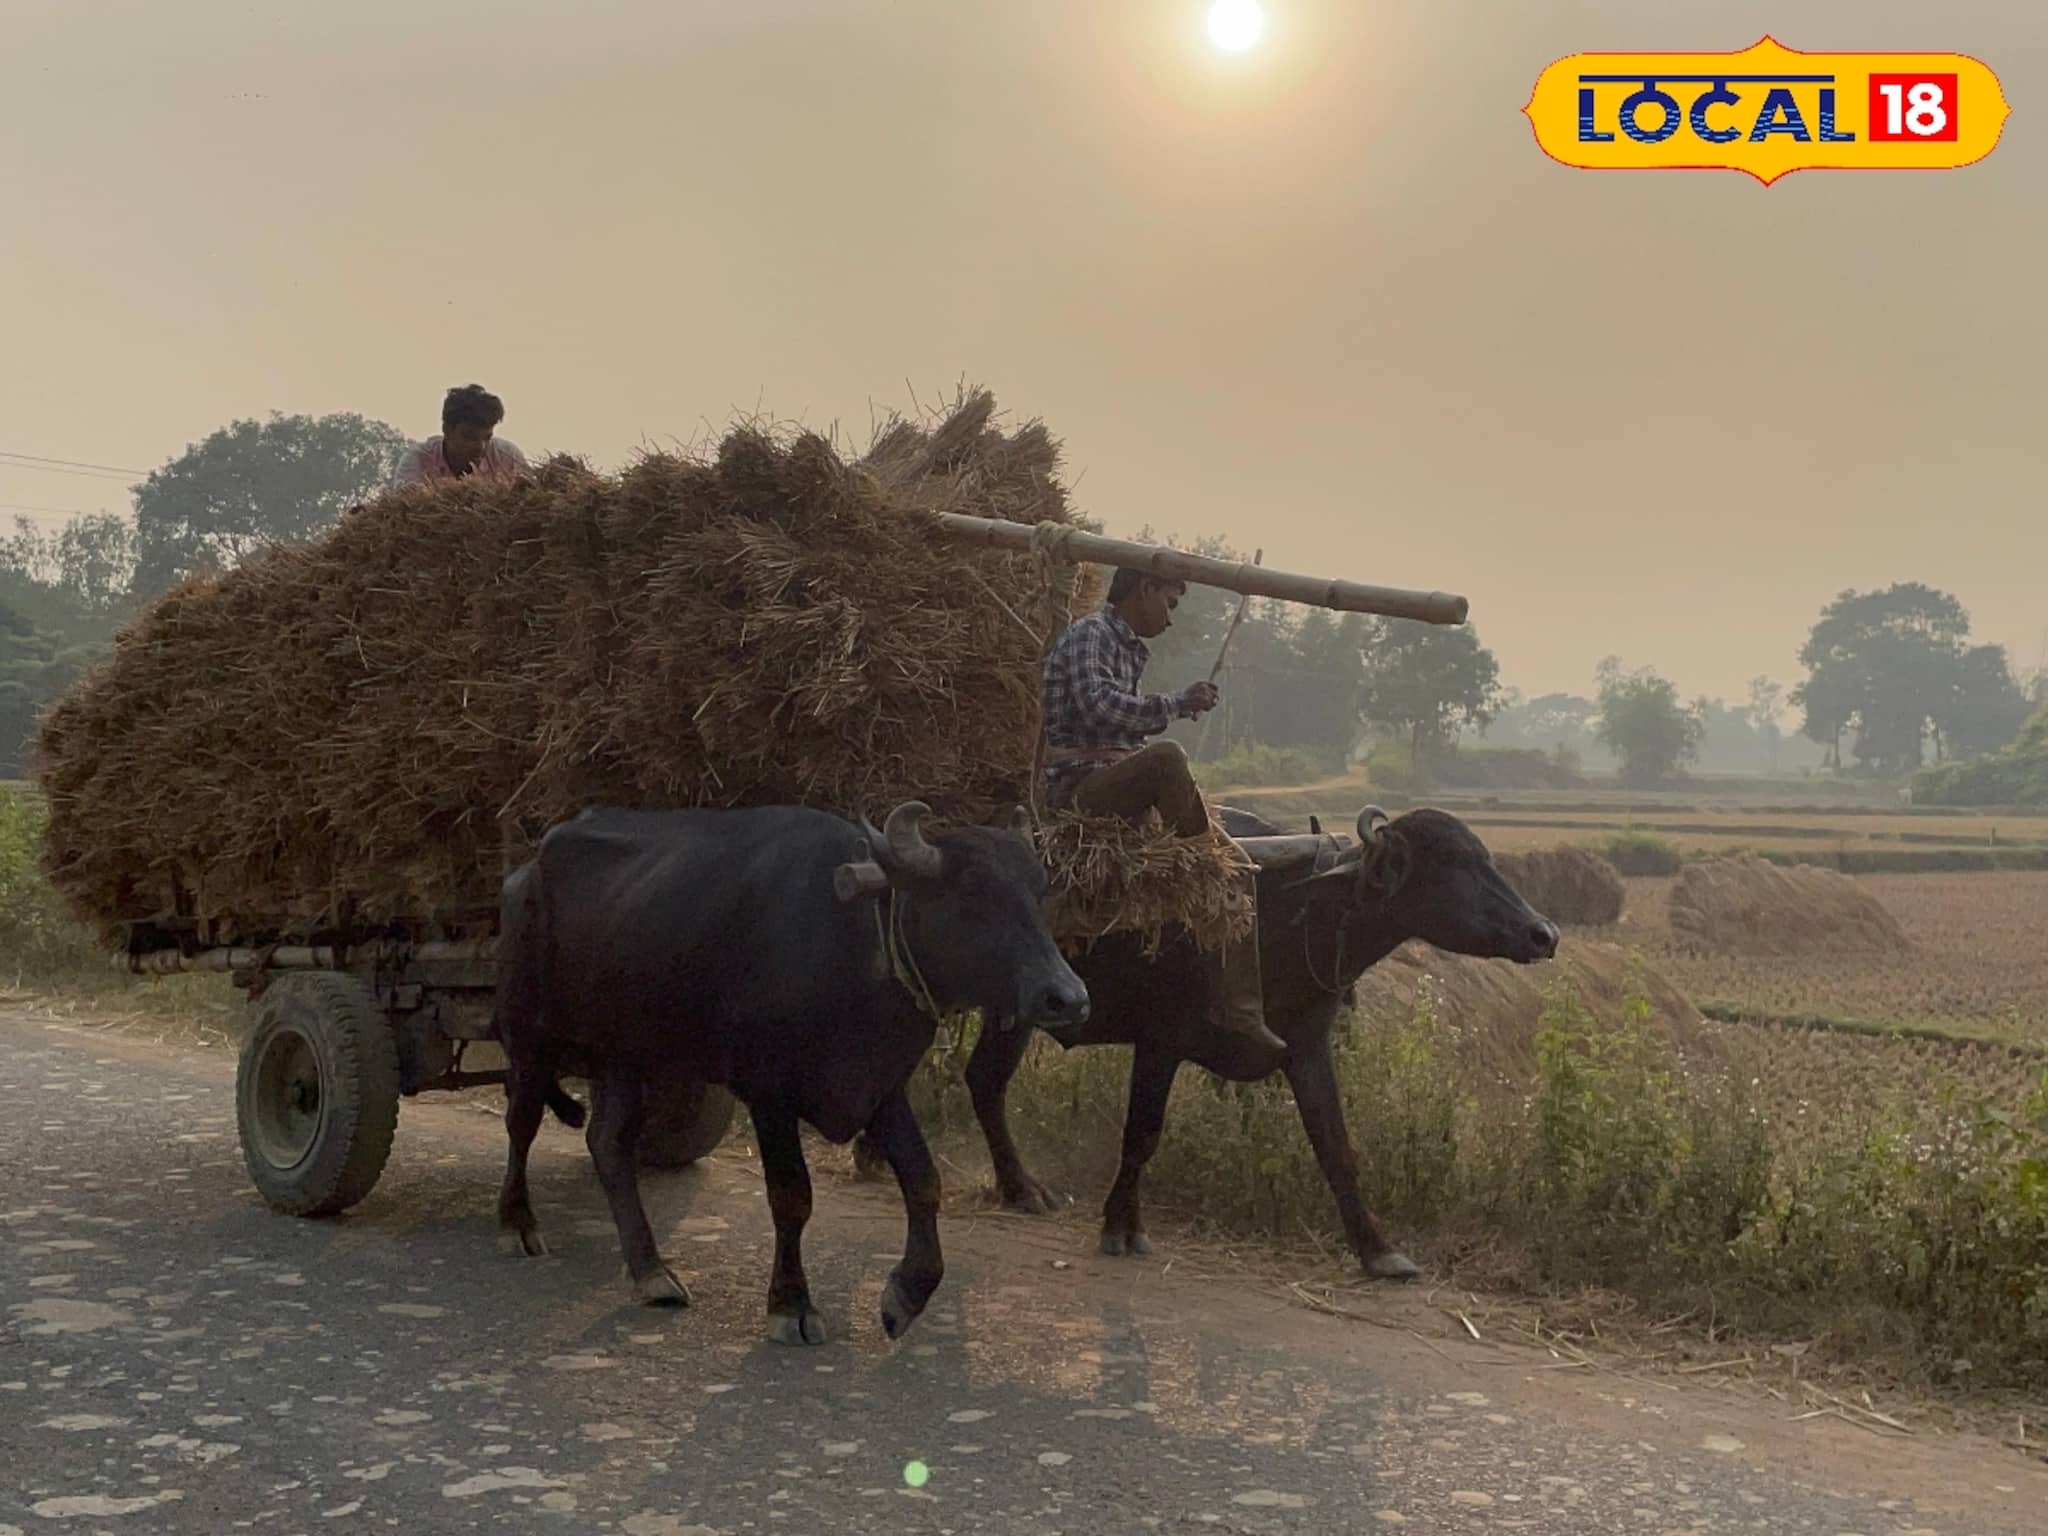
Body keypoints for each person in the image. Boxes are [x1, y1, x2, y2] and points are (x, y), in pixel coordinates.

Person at [1040, 567, 1286, 1056]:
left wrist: (1174, 704)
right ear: (1145, 588)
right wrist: (1175, 703)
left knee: (1238, 866)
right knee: (1169, 759)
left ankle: (1239, 1009)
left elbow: (1122, 725)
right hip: (1077, 791)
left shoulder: (1128, 648)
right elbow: (1098, 709)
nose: (1171, 618)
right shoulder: (1092, 633)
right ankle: (1199, 866)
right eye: (1170, 603)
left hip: (1114, 788)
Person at [391, 384, 530, 488]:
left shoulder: (508, 458)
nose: (480, 447)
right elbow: (405, 508)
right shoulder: (419, 461)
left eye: (487, 438)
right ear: (447, 430)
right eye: (470, 437)